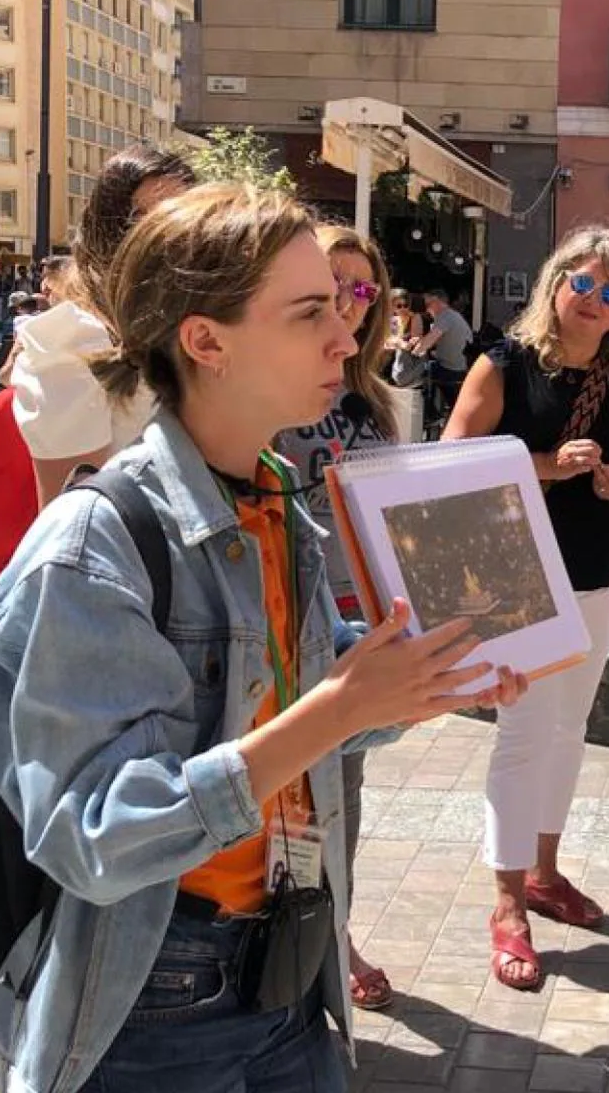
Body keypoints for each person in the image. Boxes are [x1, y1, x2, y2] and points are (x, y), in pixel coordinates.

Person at [0, 183, 530, 1093]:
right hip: (152, 997)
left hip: (289, 968)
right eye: (310, 312)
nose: (347, 339)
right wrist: (337, 710)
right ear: (205, 340)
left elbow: (310, 695)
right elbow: (93, 839)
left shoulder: (271, 495)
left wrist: (424, 685)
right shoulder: (93, 550)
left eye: (345, 308)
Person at [446, 226, 609, 989]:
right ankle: (506, 903)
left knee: (569, 728)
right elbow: (454, 459)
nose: (595, 302)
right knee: (524, 733)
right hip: (515, 575)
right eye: (584, 283)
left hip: (596, 572)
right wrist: (541, 465)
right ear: (556, 282)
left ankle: (544, 871)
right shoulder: (504, 364)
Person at [272, 225, 398, 1012]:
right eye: (331, 285)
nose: (349, 304)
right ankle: (294, 941)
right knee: (290, 790)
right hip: (284, 617)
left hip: (356, 621)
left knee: (342, 785)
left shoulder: (375, 398)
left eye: (362, 291)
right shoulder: (275, 392)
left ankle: (331, 928)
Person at [10, 146, 196, 504]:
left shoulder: (197, 318)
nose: (169, 234)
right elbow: (71, 519)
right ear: (109, 229)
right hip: (138, 554)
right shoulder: (75, 338)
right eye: (143, 218)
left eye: (183, 215)